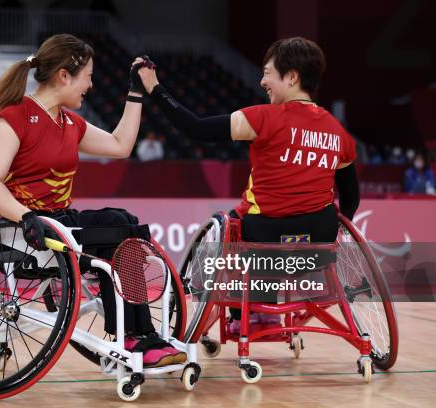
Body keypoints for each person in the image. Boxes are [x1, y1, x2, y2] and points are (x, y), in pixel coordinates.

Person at [0, 34, 185, 367]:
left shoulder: (70, 123)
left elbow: (120, 146)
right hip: (23, 226)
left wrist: (135, 92)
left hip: (58, 221)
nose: (90, 85)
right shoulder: (13, 118)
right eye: (87, 76)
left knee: (124, 221)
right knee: (117, 225)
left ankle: (140, 334)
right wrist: (28, 217)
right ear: (63, 76)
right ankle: (136, 336)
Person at [138, 37, 360, 333]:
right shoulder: (338, 132)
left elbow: (196, 128)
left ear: (292, 77)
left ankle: (246, 313)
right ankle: (265, 310)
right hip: (317, 246)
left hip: (264, 240)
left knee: (231, 225)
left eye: (268, 72)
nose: (262, 80)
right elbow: (352, 198)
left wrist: (154, 87)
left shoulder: (264, 118)